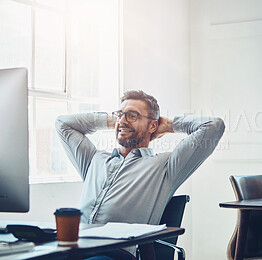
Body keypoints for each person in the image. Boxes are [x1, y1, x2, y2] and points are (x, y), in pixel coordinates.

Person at [55, 90, 225, 259]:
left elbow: (214, 126)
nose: (122, 120)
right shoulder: (94, 159)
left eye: (132, 116)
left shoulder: (165, 167)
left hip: (115, 254)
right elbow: (62, 123)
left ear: (153, 126)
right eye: (120, 115)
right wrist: (115, 121)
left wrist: (167, 125)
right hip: (73, 248)